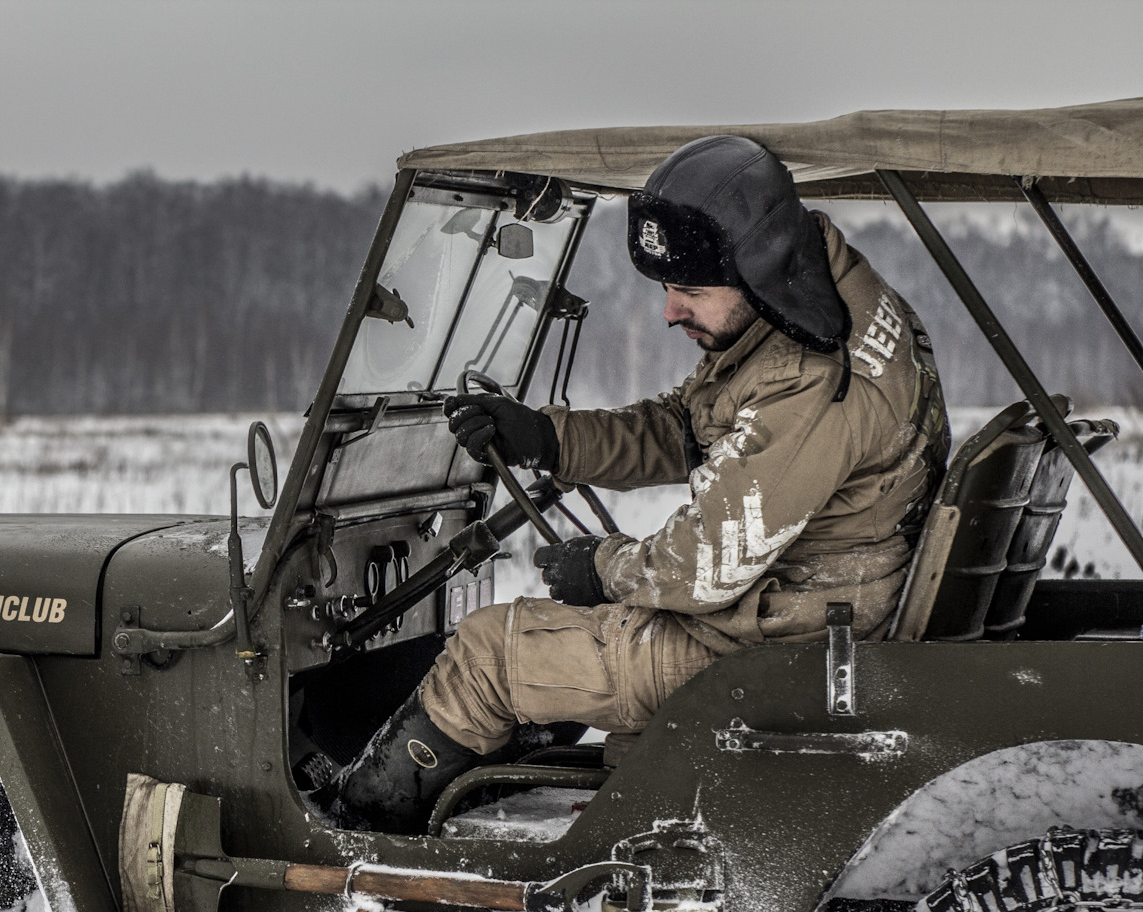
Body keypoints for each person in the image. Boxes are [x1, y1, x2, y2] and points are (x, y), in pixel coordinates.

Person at [316, 135, 949, 832]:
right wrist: (550, 437)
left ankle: (354, 843)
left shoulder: (810, 381)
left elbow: (705, 564)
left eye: (690, 292)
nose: (671, 312)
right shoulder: (806, 303)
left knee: (488, 652)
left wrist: (605, 566)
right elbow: (688, 426)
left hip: (768, 652)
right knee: (539, 639)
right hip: (806, 613)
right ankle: (488, 808)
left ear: (758, 270)